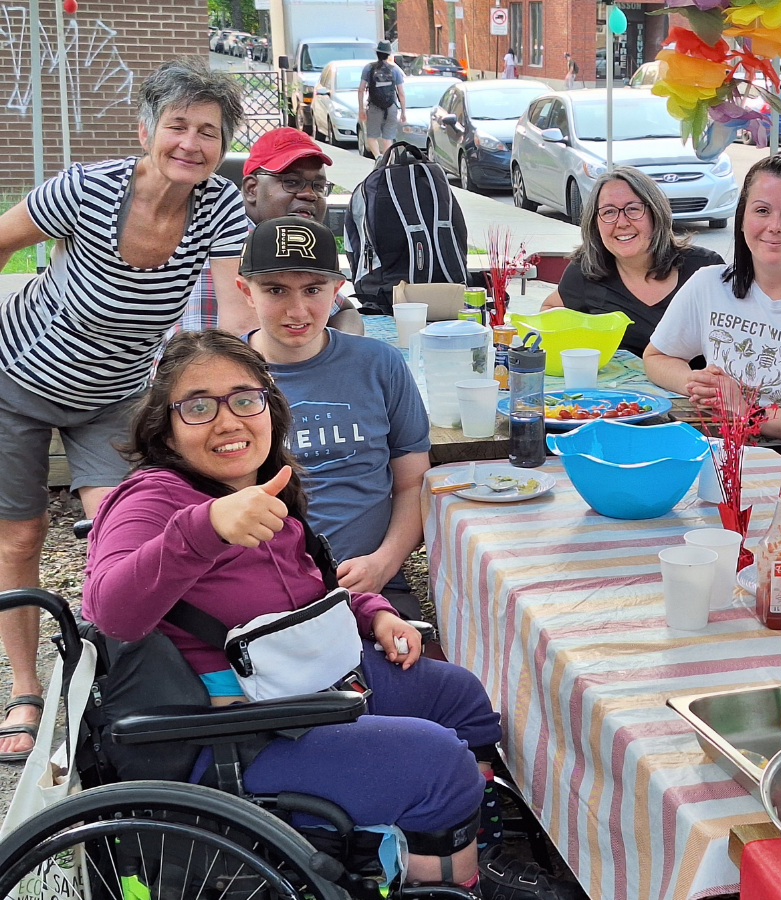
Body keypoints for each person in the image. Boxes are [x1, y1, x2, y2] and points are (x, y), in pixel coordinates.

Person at [80, 330, 507, 889]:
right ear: (165, 425)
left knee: (458, 695)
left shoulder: (266, 486)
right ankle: (446, 872)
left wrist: (374, 612)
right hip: (229, 731)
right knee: (438, 763)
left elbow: (306, 592)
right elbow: (110, 609)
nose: (228, 420)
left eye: (245, 399)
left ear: (270, 408)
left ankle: (462, 834)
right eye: (198, 406)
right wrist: (205, 529)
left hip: (297, 680)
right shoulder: (155, 498)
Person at [0, 59, 248, 763]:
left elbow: (230, 310)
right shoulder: (85, 190)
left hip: (116, 392)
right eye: (178, 126)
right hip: (16, 378)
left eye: (209, 132)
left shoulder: (219, 207)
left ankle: (113, 675)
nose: (191, 144)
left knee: (127, 538)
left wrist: (235, 391)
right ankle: (25, 689)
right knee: (18, 540)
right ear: (148, 130)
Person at [238, 216, 431, 622]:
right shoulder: (223, 377)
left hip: (372, 582)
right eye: (275, 290)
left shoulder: (380, 364)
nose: (297, 309)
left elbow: (414, 482)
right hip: (257, 587)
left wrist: (385, 562)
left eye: (313, 290)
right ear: (246, 292)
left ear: (337, 291)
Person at [644, 152, 781, 490]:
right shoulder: (709, 284)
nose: (774, 226)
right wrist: (699, 383)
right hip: (725, 457)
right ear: (742, 218)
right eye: (762, 210)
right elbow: (657, 357)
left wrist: (749, 413)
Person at [182, 127, 363, 337]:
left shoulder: (292, 243)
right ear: (252, 189)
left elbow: (345, 311)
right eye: (292, 182)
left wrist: (341, 352)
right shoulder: (223, 245)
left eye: (318, 186)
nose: (309, 194)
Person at [542, 167, 723, 358]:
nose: (621, 222)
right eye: (609, 212)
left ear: (655, 213)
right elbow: (549, 311)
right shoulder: (587, 270)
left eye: (633, 209)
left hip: (695, 387)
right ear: (595, 222)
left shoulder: (706, 268)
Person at [358, 41, 407, 159]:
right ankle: (386, 160)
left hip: (374, 107)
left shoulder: (368, 68)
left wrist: (361, 109)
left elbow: (361, 90)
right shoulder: (395, 70)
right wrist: (403, 112)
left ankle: (377, 157)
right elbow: (401, 93)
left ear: (377, 53)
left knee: (371, 136)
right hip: (391, 107)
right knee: (388, 137)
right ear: (388, 54)